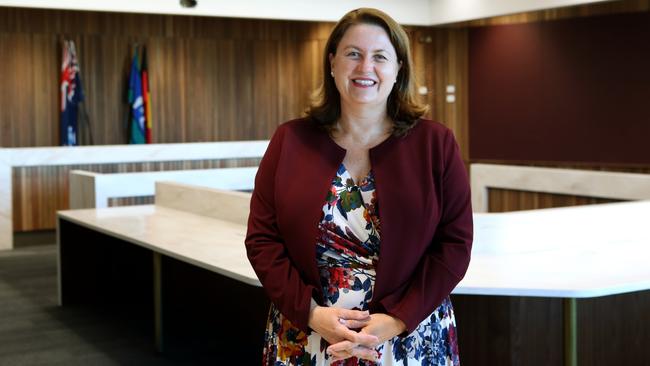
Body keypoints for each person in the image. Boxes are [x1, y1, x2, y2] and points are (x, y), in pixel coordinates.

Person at [245, 7, 473, 366]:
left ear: (399, 68)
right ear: (332, 62)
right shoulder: (290, 140)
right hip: (307, 335)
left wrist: (395, 320)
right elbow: (262, 240)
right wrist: (312, 314)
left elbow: (454, 246)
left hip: (409, 339)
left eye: (380, 56)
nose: (365, 67)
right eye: (353, 54)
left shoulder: (436, 143)